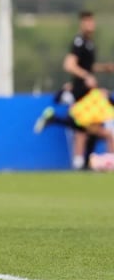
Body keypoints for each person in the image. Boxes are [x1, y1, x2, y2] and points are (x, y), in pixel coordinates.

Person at [34, 12, 114, 169]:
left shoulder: (90, 43)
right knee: (84, 128)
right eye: (87, 22)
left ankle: (83, 162)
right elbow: (69, 65)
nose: (90, 25)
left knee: (86, 130)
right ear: (82, 23)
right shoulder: (79, 42)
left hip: (89, 94)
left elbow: (87, 66)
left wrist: (105, 68)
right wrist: (86, 76)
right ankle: (54, 120)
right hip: (81, 94)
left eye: (92, 21)